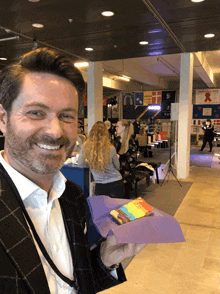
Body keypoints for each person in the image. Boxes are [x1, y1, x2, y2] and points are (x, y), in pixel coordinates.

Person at [0, 47, 146, 293]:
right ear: (3, 119)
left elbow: (70, 283)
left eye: (66, 116)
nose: (55, 131)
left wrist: (105, 260)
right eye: (36, 112)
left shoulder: (73, 197)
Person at [78, 121, 125, 198]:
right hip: (116, 182)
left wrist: (92, 163)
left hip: (100, 185)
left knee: (102, 209)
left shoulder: (85, 146)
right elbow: (117, 167)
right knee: (117, 209)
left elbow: (80, 164)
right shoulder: (111, 148)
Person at [115, 119, 138, 199]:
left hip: (125, 176)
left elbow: (132, 161)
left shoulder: (130, 142)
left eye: (117, 126)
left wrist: (119, 157)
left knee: (124, 199)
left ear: (124, 127)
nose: (116, 128)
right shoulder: (117, 141)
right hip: (116, 174)